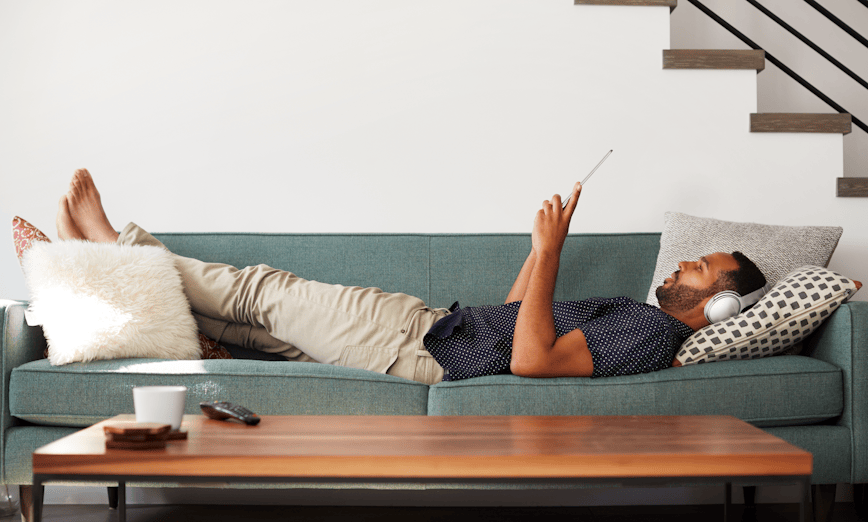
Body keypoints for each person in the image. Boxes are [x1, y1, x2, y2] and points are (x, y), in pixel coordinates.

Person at [56, 169, 766, 384]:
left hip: (414, 346)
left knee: (258, 294)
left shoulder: (647, 332)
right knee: (238, 323)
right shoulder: (640, 324)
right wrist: (542, 245)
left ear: (720, 304)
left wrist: (551, 255)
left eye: (697, 267)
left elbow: (529, 362)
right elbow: (518, 318)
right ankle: (107, 262)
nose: (679, 264)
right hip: (432, 336)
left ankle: (113, 243)